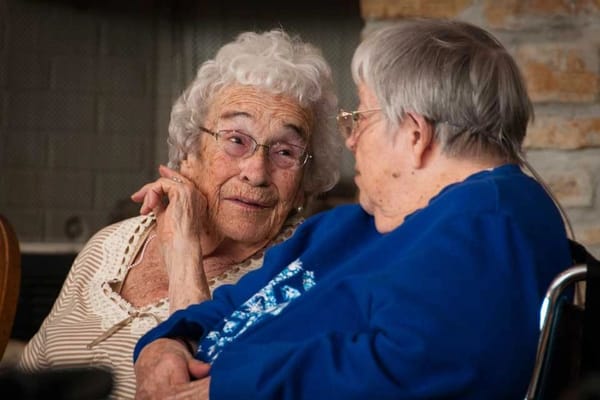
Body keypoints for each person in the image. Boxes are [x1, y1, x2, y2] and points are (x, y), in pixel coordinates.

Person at [133, 19, 573, 399]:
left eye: (360, 118)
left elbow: (424, 367)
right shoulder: (349, 226)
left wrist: (230, 388)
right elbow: (233, 305)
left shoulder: (492, 221)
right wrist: (166, 344)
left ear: (415, 134)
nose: (350, 140)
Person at [17, 29, 341, 399]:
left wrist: (185, 253)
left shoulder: (301, 274)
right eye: (236, 140)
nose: (256, 172)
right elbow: (30, 376)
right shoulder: (110, 244)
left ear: (303, 182)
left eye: (285, 152)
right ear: (189, 150)